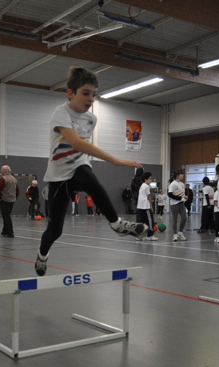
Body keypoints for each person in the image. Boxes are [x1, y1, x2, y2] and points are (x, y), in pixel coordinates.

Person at [34, 67, 147, 276]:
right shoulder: (61, 113)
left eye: (94, 94)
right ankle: (42, 255)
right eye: (85, 93)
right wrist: (114, 160)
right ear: (70, 93)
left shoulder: (91, 119)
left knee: (89, 179)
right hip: (58, 175)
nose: (91, 99)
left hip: (79, 165)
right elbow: (76, 143)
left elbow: (81, 150)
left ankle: (116, 224)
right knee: (55, 230)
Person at [0, 165, 18, 238]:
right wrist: (15, 197)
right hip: (12, 200)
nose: (0, 171)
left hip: (4, 200)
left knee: (6, 217)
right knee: (7, 215)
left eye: (1, 169)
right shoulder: (14, 179)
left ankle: (10, 232)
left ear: (5, 171)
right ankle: (4, 231)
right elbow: (17, 190)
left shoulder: (3, 179)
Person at [167, 170, 187, 242]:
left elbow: (182, 194)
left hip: (181, 204)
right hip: (174, 204)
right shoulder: (173, 184)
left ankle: (180, 232)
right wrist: (179, 198)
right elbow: (170, 194)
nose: (183, 175)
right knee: (175, 220)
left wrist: (184, 197)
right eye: (181, 174)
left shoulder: (182, 184)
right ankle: (175, 235)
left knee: (184, 218)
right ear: (178, 175)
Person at [137, 172, 157, 241]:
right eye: (149, 179)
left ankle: (139, 236)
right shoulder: (146, 186)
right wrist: (151, 206)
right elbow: (149, 196)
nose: (151, 180)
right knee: (150, 221)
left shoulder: (142, 185)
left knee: (141, 222)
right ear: (145, 179)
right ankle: (150, 235)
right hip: (145, 207)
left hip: (140, 206)